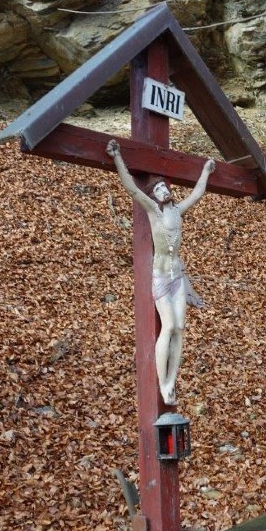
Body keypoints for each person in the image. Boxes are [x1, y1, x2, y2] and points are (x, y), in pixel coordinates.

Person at [106, 138, 216, 405]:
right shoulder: (153, 211)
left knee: (180, 327)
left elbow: (197, 194)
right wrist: (117, 157)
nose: (162, 191)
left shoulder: (177, 211)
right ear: (154, 196)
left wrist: (205, 171)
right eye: (157, 189)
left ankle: (171, 382)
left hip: (177, 276)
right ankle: (162, 380)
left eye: (164, 187)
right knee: (168, 326)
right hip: (161, 277)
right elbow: (131, 188)